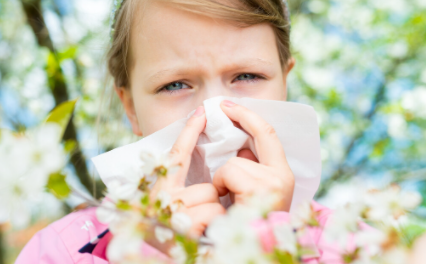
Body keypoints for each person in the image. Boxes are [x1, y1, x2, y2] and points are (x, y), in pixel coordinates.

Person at [15, 0, 353, 263]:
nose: (215, 116)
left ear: (285, 83)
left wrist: (271, 247)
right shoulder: (62, 252)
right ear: (131, 108)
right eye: (174, 84)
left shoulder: (351, 244)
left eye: (247, 76)